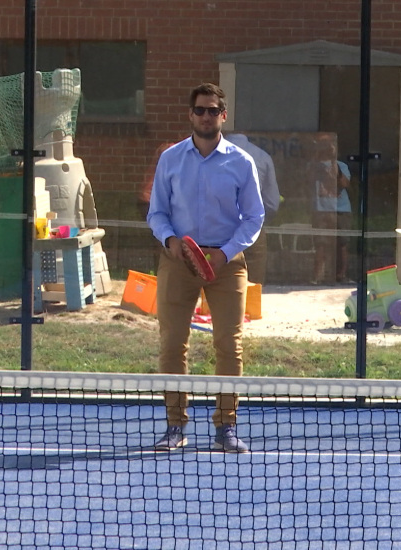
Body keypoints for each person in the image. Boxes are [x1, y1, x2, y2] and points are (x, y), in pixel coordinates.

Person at [147, 83, 264, 452]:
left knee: (229, 345)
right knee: (172, 346)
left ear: (223, 116)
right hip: (177, 261)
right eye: (200, 110)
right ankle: (174, 426)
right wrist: (171, 241)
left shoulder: (241, 162)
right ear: (190, 114)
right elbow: (157, 213)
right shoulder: (170, 158)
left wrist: (225, 252)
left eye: (213, 110)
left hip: (226, 265)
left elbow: (254, 217)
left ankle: (226, 427)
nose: (206, 116)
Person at [226, 133, 280, 284]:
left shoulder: (209, 154)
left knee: (218, 285)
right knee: (253, 285)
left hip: (218, 229)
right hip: (252, 227)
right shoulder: (262, 156)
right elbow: (272, 202)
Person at [312, 159, 353, 284]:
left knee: (342, 243)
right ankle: (318, 275)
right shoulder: (314, 166)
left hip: (341, 209)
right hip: (321, 209)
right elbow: (306, 182)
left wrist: (336, 169)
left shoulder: (341, 165)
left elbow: (345, 184)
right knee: (320, 243)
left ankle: (341, 274)